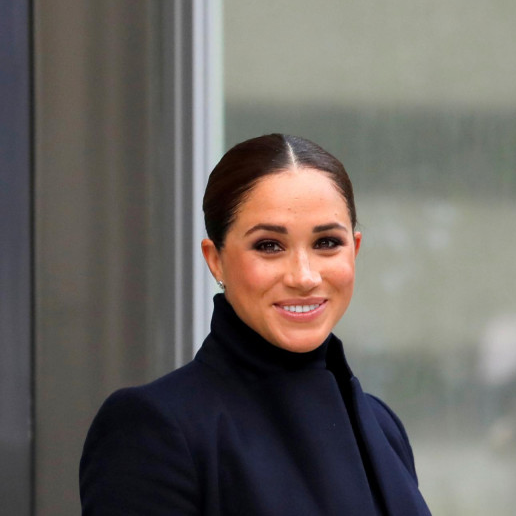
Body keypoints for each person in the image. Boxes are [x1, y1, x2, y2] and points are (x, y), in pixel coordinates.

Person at [80, 134, 432, 515]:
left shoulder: (381, 426)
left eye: (327, 242)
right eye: (269, 246)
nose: (304, 276)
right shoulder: (152, 428)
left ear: (355, 249)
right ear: (215, 260)